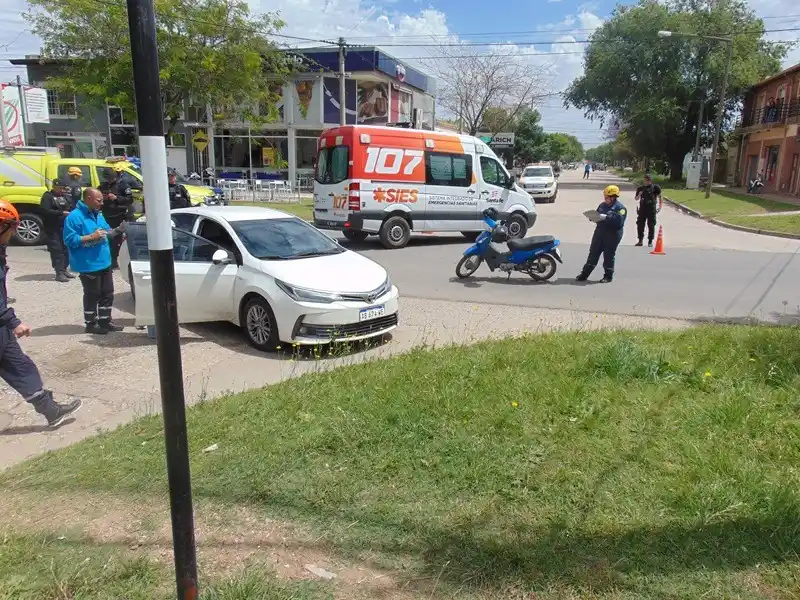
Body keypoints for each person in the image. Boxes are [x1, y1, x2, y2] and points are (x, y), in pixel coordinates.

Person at [0, 200, 82, 427]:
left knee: (21, 368)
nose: (15, 231)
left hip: (2, 331)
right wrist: (13, 321)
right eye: (12, 227)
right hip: (3, 324)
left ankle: (52, 411)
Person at [63, 188, 126, 335]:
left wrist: (118, 230)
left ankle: (105, 321)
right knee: (93, 294)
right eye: (99, 200)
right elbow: (69, 240)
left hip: (104, 261)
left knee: (107, 293)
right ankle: (90, 323)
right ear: (89, 198)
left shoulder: (98, 215)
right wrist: (91, 236)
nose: (102, 203)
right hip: (88, 264)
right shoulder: (74, 217)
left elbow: (106, 233)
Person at [576, 184, 627, 284]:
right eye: (605, 197)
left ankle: (608, 276)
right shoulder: (602, 205)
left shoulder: (620, 208)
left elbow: (619, 223)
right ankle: (584, 274)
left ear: (613, 197)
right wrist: (594, 217)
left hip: (612, 235)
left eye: (607, 197)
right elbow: (598, 215)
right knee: (593, 253)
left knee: (608, 255)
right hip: (600, 232)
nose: (605, 199)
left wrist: (606, 218)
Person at [40, 178, 76, 282]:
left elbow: (72, 207)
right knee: (57, 250)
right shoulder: (48, 197)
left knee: (66, 249)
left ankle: (64, 269)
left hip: (65, 227)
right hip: (53, 228)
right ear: (54, 187)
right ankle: (59, 273)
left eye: (62, 188)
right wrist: (60, 213)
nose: (60, 190)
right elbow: (45, 211)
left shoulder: (65, 197)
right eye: (58, 188)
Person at [98, 168, 133, 269]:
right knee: (106, 238)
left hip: (119, 216)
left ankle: (113, 260)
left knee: (116, 240)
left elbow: (129, 200)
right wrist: (102, 198)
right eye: (107, 179)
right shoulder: (102, 186)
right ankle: (106, 260)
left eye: (111, 178)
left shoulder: (123, 186)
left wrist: (116, 198)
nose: (109, 181)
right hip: (106, 216)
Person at [634, 174, 662, 247]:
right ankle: (640, 240)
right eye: (645, 180)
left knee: (651, 225)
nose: (646, 181)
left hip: (651, 209)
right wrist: (639, 195)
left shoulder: (655, 188)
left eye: (648, 180)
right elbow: (636, 198)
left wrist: (660, 207)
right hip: (642, 209)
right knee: (640, 224)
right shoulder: (640, 188)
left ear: (650, 180)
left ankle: (650, 241)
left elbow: (660, 197)